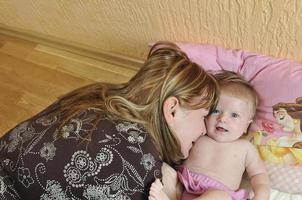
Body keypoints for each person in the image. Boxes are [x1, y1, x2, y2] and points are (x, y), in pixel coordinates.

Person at [0, 42, 219, 199]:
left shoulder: (96, 94)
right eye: (204, 115)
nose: (205, 129)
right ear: (172, 110)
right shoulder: (138, 167)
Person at [149, 71, 270, 200]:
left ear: (246, 126)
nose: (222, 118)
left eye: (234, 115)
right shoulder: (198, 136)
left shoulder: (246, 148)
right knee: (165, 170)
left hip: (219, 195)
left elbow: (259, 174)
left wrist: (261, 194)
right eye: (216, 110)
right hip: (184, 188)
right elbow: (177, 154)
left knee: (219, 196)